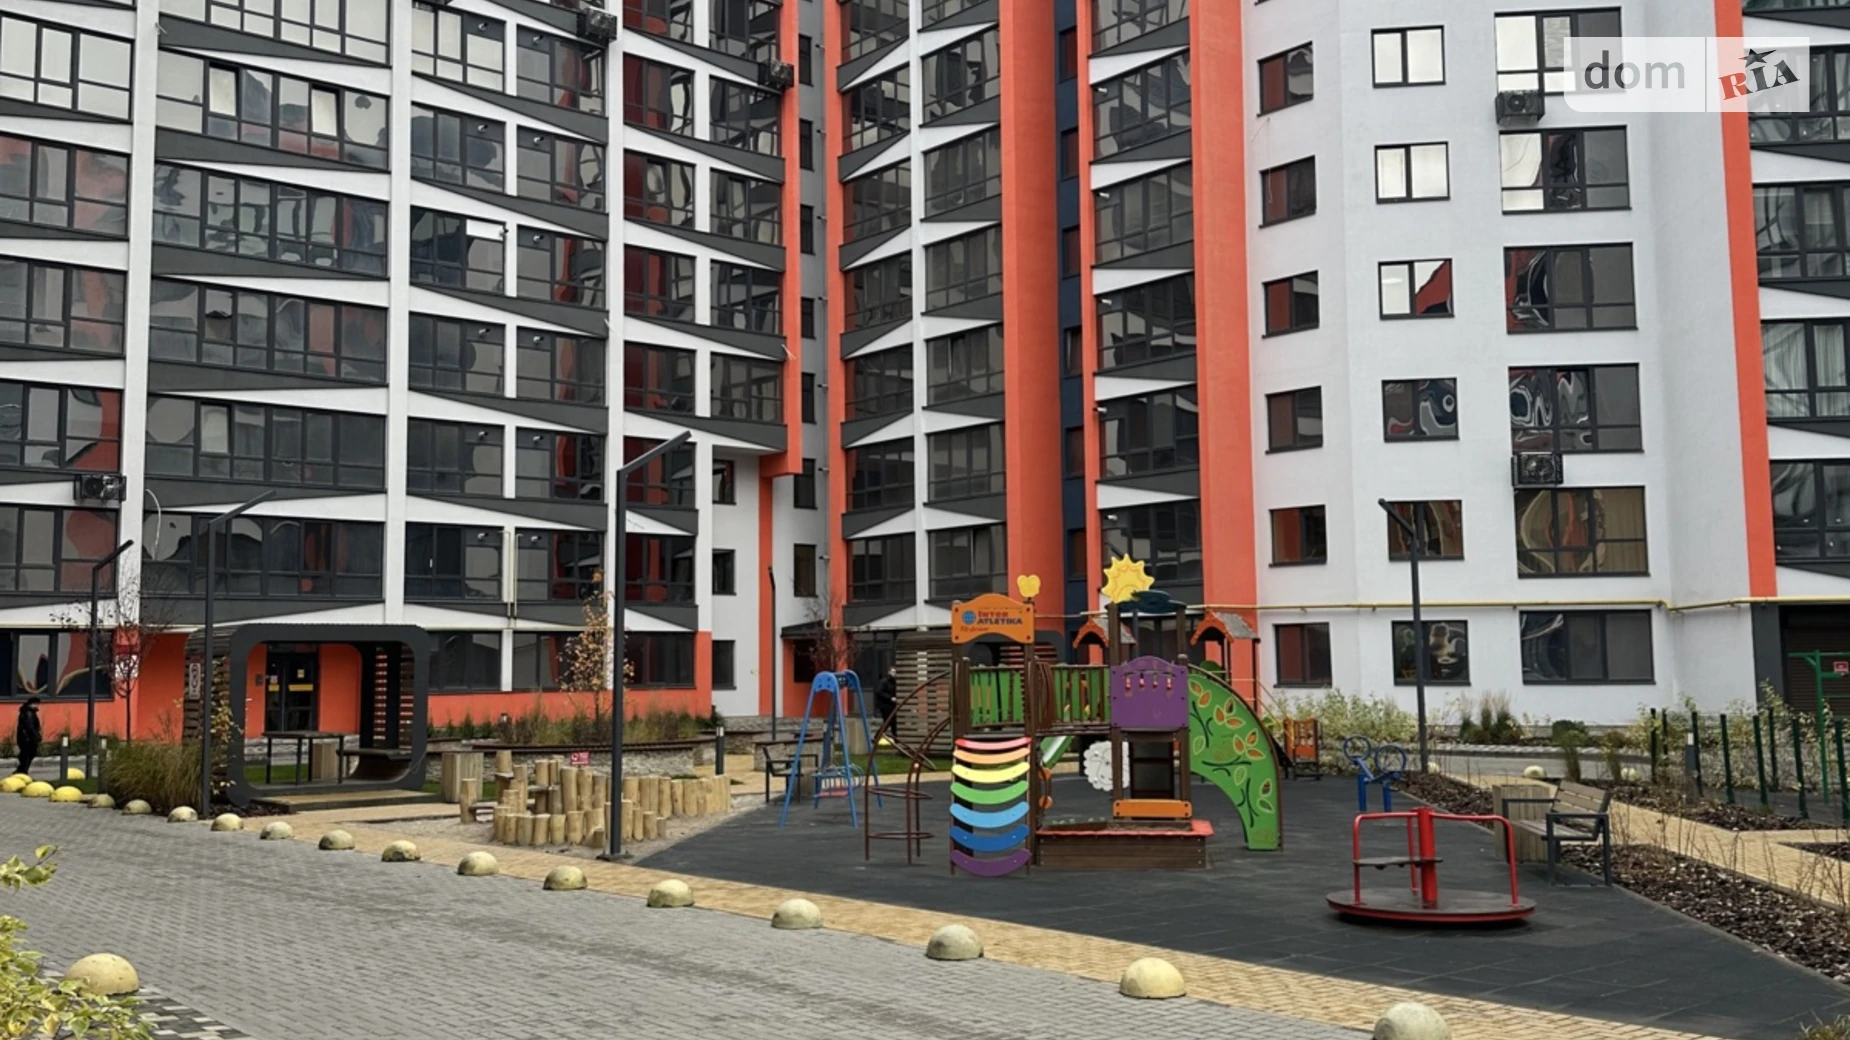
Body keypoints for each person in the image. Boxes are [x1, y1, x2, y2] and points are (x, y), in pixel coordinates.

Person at [14, 697, 41, 777]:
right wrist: (36, 736)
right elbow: (30, 727)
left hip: (25, 738)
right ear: (31, 704)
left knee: (26, 755)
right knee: (27, 755)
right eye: (36, 704)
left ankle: (22, 771)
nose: (37, 706)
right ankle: (22, 772)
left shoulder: (28, 712)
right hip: (28, 738)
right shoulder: (28, 713)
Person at [874, 667, 898, 736]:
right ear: (889, 672)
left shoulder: (894, 682)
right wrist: (890, 698)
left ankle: (895, 738)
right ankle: (877, 736)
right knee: (888, 722)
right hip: (885, 705)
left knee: (893, 722)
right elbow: (879, 692)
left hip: (891, 705)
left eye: (895, 672)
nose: (894, 674)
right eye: (893, 672)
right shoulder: (884, 681)